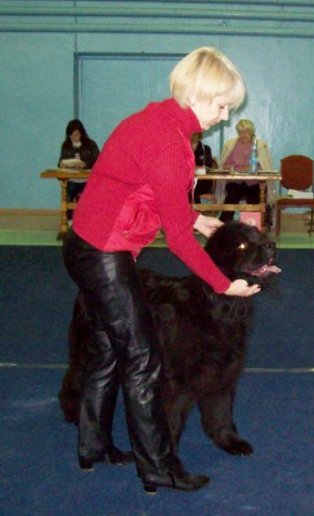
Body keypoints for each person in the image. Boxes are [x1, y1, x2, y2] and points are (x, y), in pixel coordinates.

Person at [62, 47, 261, 494]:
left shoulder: (156, 119)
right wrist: (223, 282)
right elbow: (178, 243)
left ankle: (91, 447)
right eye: (221, 104)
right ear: (197, 93)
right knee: (144, 360)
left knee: (107, 351)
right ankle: (158, 468)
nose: (225, 116)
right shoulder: (173, 142)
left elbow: (143, 186)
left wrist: (192, 216)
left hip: (86, 244)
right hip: (102, 254)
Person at [218, 119, 273, 223]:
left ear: (252, 132)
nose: (243, 135)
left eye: (246, 131)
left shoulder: (260, 145)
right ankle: (223, 226)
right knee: (232, 196)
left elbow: (264, 166)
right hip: (236, 181)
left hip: (254, 181)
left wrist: (250, 168)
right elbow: (225, 163)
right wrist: (227, 167)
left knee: (254, 196)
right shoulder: (231, 145)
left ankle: (250, 227)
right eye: (240, 132)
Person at [58, 119, 100, 208]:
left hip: (87, 180)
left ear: (81, 133)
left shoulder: (90, 144)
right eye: (71, 135)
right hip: (72, 180)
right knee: (68, 195)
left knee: (87, 199)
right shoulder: (66, 145)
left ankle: (86, 218)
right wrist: (62, 164)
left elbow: (98, 161)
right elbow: (61, 161)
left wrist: (85, 165)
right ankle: (70, 219)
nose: (74, 138)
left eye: (76, 135)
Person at [191, 131, 218, 204]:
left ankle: (195, 212)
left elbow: (207, 168)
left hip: (202, 181)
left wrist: (193, 168)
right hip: (188, 180)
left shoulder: (206, 149)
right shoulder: (182, 148)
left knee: (191, 190)